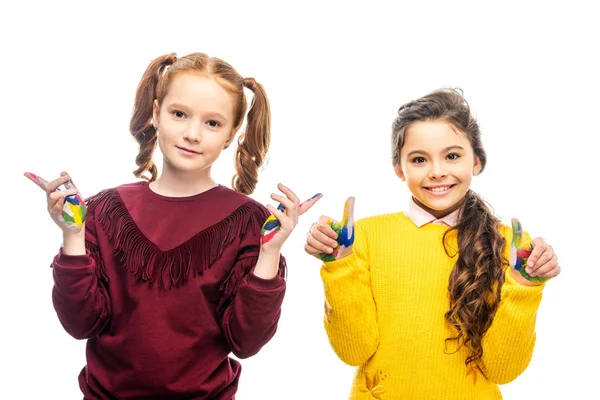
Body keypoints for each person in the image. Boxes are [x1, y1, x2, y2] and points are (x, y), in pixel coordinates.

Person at [25, 52, 320, 400]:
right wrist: (73, 236)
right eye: (179, 114)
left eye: (212, 123)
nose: (192, 134)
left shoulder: (251, 225)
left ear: (231, 134)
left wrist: (269, 253)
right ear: (156, 114)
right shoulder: (104, 212)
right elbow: (80, 324)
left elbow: (247, 342)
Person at [304, 88, 560, 399]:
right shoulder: (364, 237)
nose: (437, 171)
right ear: (400, 169)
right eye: (419, 159)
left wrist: (524, 286)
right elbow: (353, 351)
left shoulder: (509, 246)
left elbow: (503, 371)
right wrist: (339, 264)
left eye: (452, 156)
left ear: (476, 161)